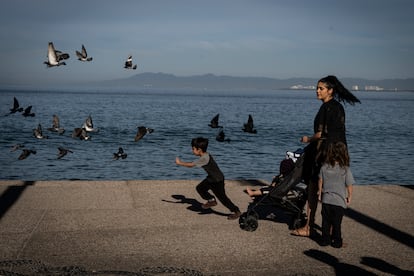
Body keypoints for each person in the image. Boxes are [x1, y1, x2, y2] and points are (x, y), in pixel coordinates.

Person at [292, 75, 360, 237]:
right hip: (340, 153)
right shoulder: (338, 107)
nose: (317, 91)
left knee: (313, 189)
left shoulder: (327, 108)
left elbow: (321, 133)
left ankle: (309, 227)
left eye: (321, 88)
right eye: (317, 88)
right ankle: (331, 231)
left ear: (330, 91)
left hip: (325, 153)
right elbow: (338, 133)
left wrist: (307, 139)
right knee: (334, 190)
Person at [175, 137, 242, 220]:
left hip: (217, 180)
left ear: (199, 149)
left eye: (193, 149)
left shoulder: (204, 158)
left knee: (223, 198)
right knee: (200, 188)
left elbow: (191, 165)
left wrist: (180, 163)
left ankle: (236, 211)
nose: (192, 151)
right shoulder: (205, 155)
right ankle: (212, 200)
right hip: (211, 178)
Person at [318, 141, 354, 248]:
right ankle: (337, 242)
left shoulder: (324, 167)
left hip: (327, 199)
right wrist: (349, 197)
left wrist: (320, 193)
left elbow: (320, 181)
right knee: (336, 223)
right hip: (339, 201)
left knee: (325, 222)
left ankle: (325, 240)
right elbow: (349, 185)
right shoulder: (345, 169)